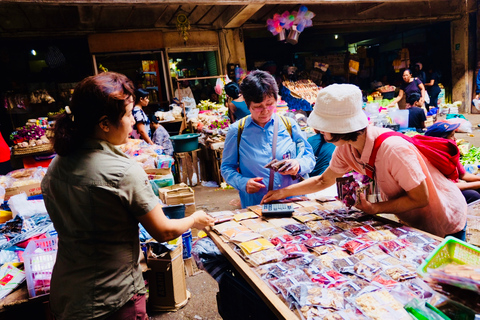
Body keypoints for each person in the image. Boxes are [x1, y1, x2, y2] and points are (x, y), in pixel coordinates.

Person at [41, 72, 214, 320]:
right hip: (111, 299)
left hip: (66, 293)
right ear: (104, 123)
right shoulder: (123, 170)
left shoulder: (58, 162)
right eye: (128, 114)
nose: (133, 121)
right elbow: (163, 231)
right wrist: (195, 218)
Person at [262, 83, 467, 240]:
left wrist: (376, 209)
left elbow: (421, 198)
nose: (319, 131)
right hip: (410, 219)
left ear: (338, 129)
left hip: (444, 222)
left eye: (323, 126)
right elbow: (323, 181)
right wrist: (282, 193)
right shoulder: (345, 148)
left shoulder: (393, 150)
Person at [221, 70, 315, 208]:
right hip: (256, 205)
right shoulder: (237, 131)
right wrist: (243, 183)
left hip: (293, 203)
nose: (265, 111)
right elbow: (227, 168)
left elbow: (309, 157)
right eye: (258, 107)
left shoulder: (289, 125)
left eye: (269, 104)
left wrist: (298, 165)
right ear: (248, 106)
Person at [425, 121, 480, 204]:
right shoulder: (431, 158)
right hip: (440, 192)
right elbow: (447, 186)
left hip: (452, 186)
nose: (455, 139)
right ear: (439, 140)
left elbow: (464, 175)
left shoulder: (451, 153)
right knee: (473, 195)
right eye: (451, 136)